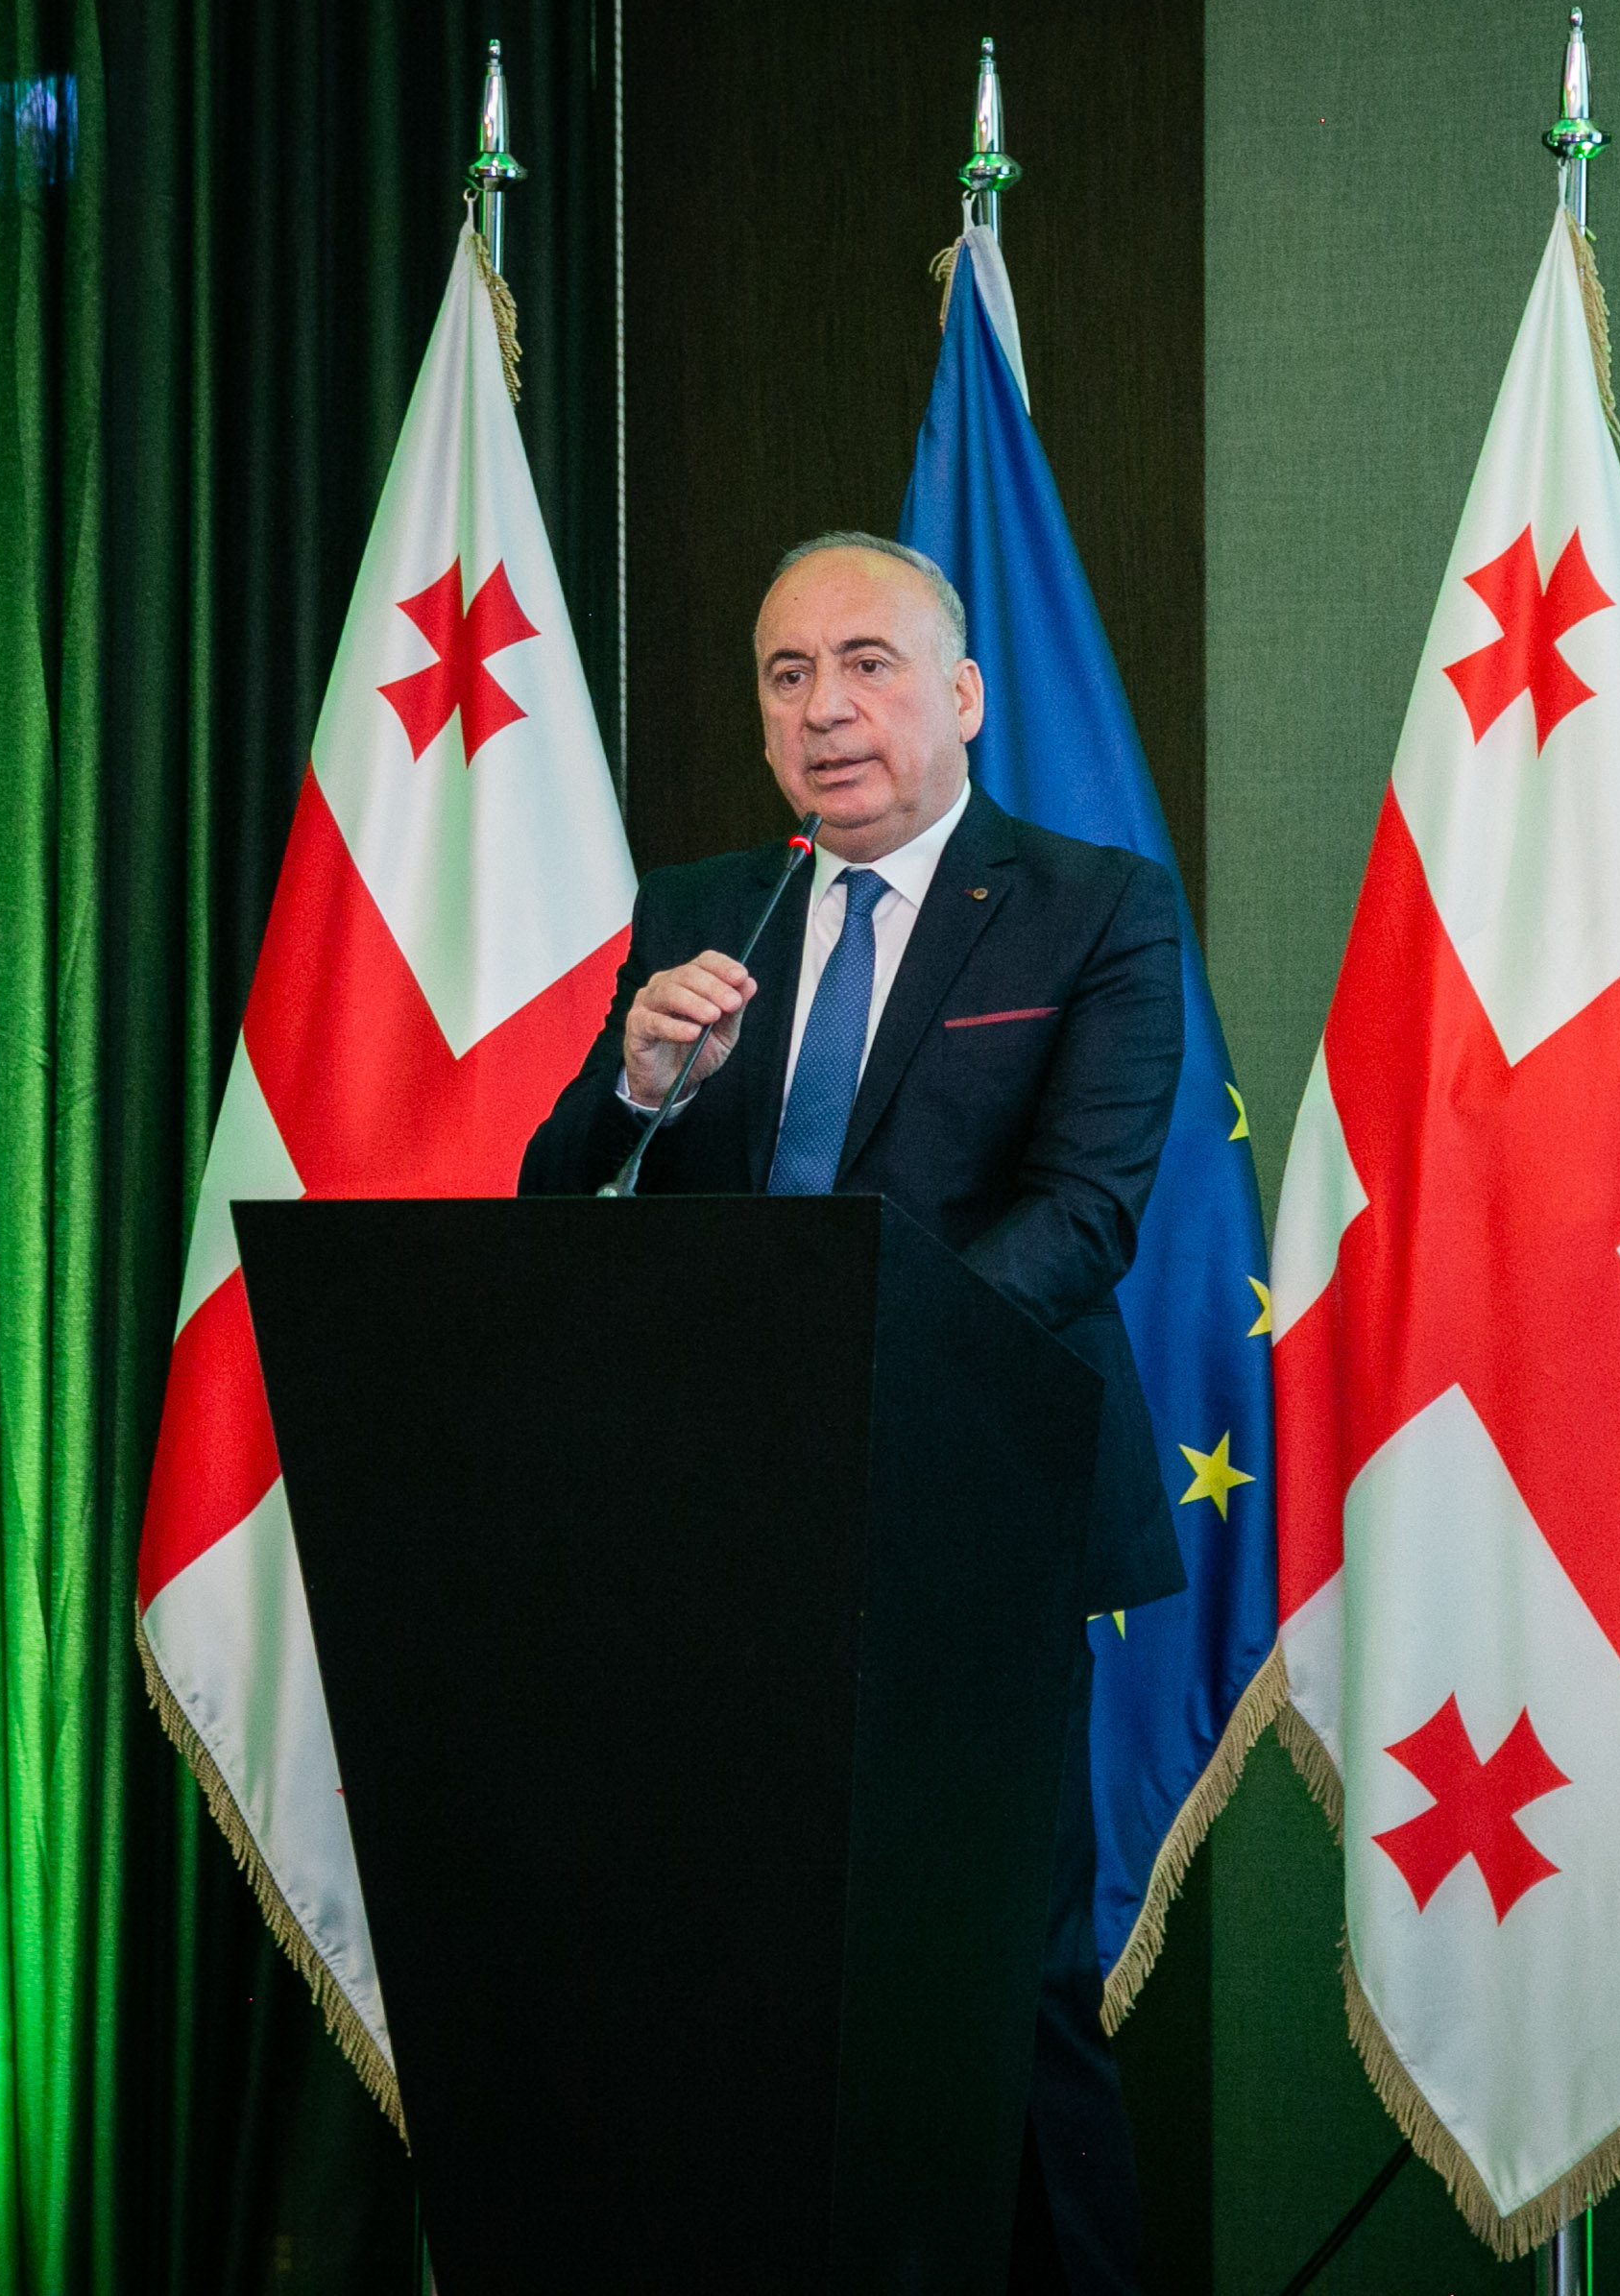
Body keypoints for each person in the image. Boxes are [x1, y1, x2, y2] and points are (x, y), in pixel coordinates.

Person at [519, 531, 1183, 2291]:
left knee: (1001, 1991)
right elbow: (558, 1197)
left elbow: (1084, 1216)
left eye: (867, 664)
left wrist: (850, 1368)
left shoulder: (1092, 905)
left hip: (973, 1522)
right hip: (728, 1540)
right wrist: (637, 1090)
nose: (826, 709)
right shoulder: (698, 909)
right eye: (787, 675)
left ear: (961, 696)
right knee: (743, 1990)